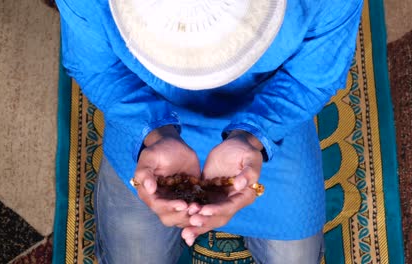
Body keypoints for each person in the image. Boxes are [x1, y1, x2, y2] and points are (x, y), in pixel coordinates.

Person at [55, 0, 363, 263]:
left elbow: (311, 77)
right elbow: (97, 66)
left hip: (270, 110)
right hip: (142, 109)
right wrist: (155, 133)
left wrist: (254, 135)